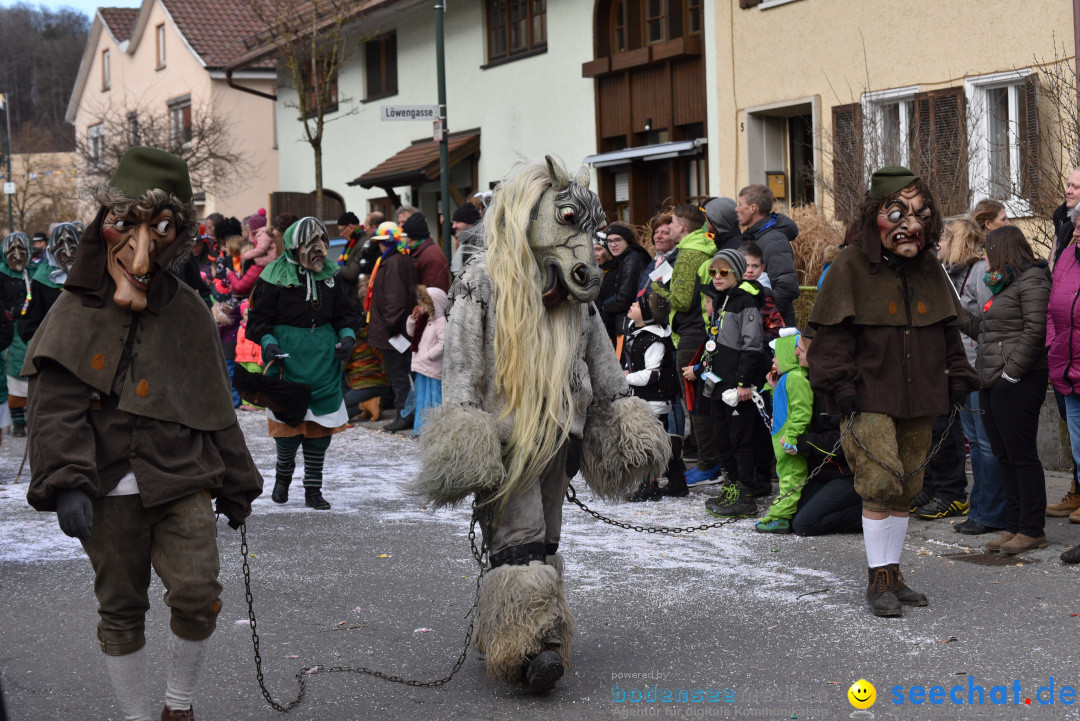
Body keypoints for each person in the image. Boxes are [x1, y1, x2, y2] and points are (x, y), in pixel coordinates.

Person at [24, 147, 262, 721]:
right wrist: (67, 481)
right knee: (121, 607)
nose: (141, 246)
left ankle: (178, 707)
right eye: (126, 223)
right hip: (104, 483)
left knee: (197, 594)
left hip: (180, 475)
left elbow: (213, 405)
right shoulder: (74, 307)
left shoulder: (186, 310)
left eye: (160, 229)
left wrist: (236, 483)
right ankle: (135, 715)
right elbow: (54, 403)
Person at [414, 157, 668, 693]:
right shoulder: (481, 285)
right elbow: (463, 363)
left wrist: (615, 411)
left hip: (562, 433)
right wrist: (465, 426)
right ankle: (532, 650)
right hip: (506, 435)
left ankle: (518, 626)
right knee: (519, 537)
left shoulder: (577, 294)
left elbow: (599, 355)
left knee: (546, 538)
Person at [808, 165, 978, 617]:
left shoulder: (929, 270)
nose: (911, 224)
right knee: (880, 483)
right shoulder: (848, 265)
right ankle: (877, 578)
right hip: (868, 395)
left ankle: (894, 571)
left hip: (920, 395)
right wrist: (841, 387)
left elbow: (947, 333)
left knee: (908, 486)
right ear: (873, 217)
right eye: (897, 212)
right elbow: (831, 339)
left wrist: (958, 376)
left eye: (921, 214)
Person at [247, 217, 361, 510]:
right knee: (288, 429)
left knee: (320, 430)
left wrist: (347, 337)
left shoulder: (332, 276)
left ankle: (313, 489)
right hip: (288, 360)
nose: (320, 249)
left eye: (322, 242)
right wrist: (269, 344)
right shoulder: (272, 277)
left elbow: (345, 316)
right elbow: (258, 321)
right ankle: (283, 477)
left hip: (324, 361)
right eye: (312, 244)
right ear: (295, 247)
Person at [956, 226, 1050, 556]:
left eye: (989, 250)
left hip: (1018, 380)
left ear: (1005, 251)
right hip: (993, 379)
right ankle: (1013, 525)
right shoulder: (1006, 285)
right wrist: (954, 314)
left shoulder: (1033, 280)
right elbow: (984, 331)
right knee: (1004, 455)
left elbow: (1035, 331)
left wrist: (1012, 374)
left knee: (1021, 456)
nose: (985, 257)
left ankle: (1031, 529)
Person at [935, 217, 1005, 534]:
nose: (938, 244)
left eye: (943, 239)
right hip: (963, 370)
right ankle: (978, 510)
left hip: (981, 369)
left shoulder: (978, 273)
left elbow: (991, 319)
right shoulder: (952, 275)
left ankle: (991, 512)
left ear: (957, 241)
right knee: (975, 445)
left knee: (986, 445)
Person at [689, 248, 770, 517]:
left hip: (737, 385)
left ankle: (746, 493)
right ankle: (732, 486)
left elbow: (752, 344)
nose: (717, 276)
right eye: (713, 272)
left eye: (724, 271)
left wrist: (744, 382)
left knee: (740, 438)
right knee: (722, 438)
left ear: (736, 272)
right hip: (718, 382)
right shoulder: (721, 299)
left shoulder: (745, 301)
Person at [651, 205, 716, 484]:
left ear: (683, 227)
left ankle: (708, 465)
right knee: (701, 401)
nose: (670, 228)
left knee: (695, 404)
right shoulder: (700, 247)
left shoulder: (690, 253)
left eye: (674, 223)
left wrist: (656, 282)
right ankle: (710, 461)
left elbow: (681, 299)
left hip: (692, 334)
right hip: (697, 332)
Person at [789, 328, 862, 536]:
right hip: (822, 471)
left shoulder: (835, 387)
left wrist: (803, 443)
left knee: (804, 525)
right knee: (793, 516)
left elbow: (841, 439)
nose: (795, 353)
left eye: (800, 350)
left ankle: (871, 513)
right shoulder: (805, 380)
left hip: (846, 474)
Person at [624, 292, 687, 501]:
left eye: (638, 303)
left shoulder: (655, 340)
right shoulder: (638, 332)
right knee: (660, 441)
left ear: (647, 315)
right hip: (643, 398)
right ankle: (676, 481)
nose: (633, 304)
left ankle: (649, 484)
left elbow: (652, 374)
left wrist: (626, 378)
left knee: (649, 443)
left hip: (655, 400)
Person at [1045, 208, 1080, 561]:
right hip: (1067, 370)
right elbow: (1054, 308)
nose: (1078, 231)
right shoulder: (1068, 255)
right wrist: (1052, 343)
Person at [754, 328, 812, 533]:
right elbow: (784, 401)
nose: (773, 360)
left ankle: (780, 517)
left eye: (777, 355)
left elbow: (801, 410)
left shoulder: (796, 378)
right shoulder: (787, 378)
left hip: (788, 441)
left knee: (791, 480)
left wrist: (793, 435)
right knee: (784, 477)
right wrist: (772, 387)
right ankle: (781, 512)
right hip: (781, 440)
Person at [365, 221, 418, 428]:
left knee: (398, 374)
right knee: (402, 373)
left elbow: (394, 300)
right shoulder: (398, 260)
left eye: (381, 241)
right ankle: (405, 413)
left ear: (387, 243)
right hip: (398, 329)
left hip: (395, 332)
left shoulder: (393, 263)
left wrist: (390, 327)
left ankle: (404, 415)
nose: (379, 245)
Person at [735, 185, 800, 325]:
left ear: (753, 208)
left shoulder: (773, 240)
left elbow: (787, 288)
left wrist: (760, 315)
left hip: (772, 331)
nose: (736, 209)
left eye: (740, 204)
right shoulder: (757, 237)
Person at [406, 284, 446, 437]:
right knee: (422, 398)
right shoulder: (423, 320)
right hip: (423, 367)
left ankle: (435, 429)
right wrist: (412, 319)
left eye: (424, 304)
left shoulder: (441, 322)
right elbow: (411, 332)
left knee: (433, 398)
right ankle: (422, 428)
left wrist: (429, 355)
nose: (421, 306)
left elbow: (443, 343)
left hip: (432, 367)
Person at [601, 223, 652, 326]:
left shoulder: (631, 259)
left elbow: (624, 298)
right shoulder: (623, 258)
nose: (613, 245)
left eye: (617, 240)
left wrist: (603, 306)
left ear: (627, 241)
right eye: (609, 241)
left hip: (628, 321)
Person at [450, 202, 482, 277]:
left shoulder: (475, 247)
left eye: (457, 222)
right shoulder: (467, 241)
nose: (453, 226)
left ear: (470, 224)